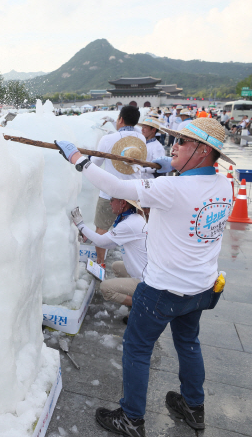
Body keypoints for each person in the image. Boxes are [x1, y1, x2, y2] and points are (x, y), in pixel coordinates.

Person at [55, 117, 234, 436]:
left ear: (204, 150)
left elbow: (118, 187)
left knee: (137, 349)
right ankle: (194, 406)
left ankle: (132, 418)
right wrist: (171, 167)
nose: (173, 146)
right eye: (174, 140)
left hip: (164, 289)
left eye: (182, 142)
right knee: (189, 343)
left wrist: (78, 160)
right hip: (202, 287)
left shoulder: (173, 188)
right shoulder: (224, 185)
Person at [90, 105, 146, 266]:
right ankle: (136, 261)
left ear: (120, 119)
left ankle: (101, 262)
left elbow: (95, 164)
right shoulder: (141, 139)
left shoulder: (108, 139)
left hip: (110, 194)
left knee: (101, 228)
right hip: (134, 194)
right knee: (136, 230)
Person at [71, 199, 147, 315]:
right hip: (146, 271)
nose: (110, 203)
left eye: (112, 200)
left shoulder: (129, 224)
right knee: (116, 266)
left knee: (106, 288)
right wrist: (89, 239)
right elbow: (109, 243)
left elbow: (102, 241)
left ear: (123, 203)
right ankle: (137, 295)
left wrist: (81, 225)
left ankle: (143, 303)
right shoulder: (133, 218)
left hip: (146, 281)